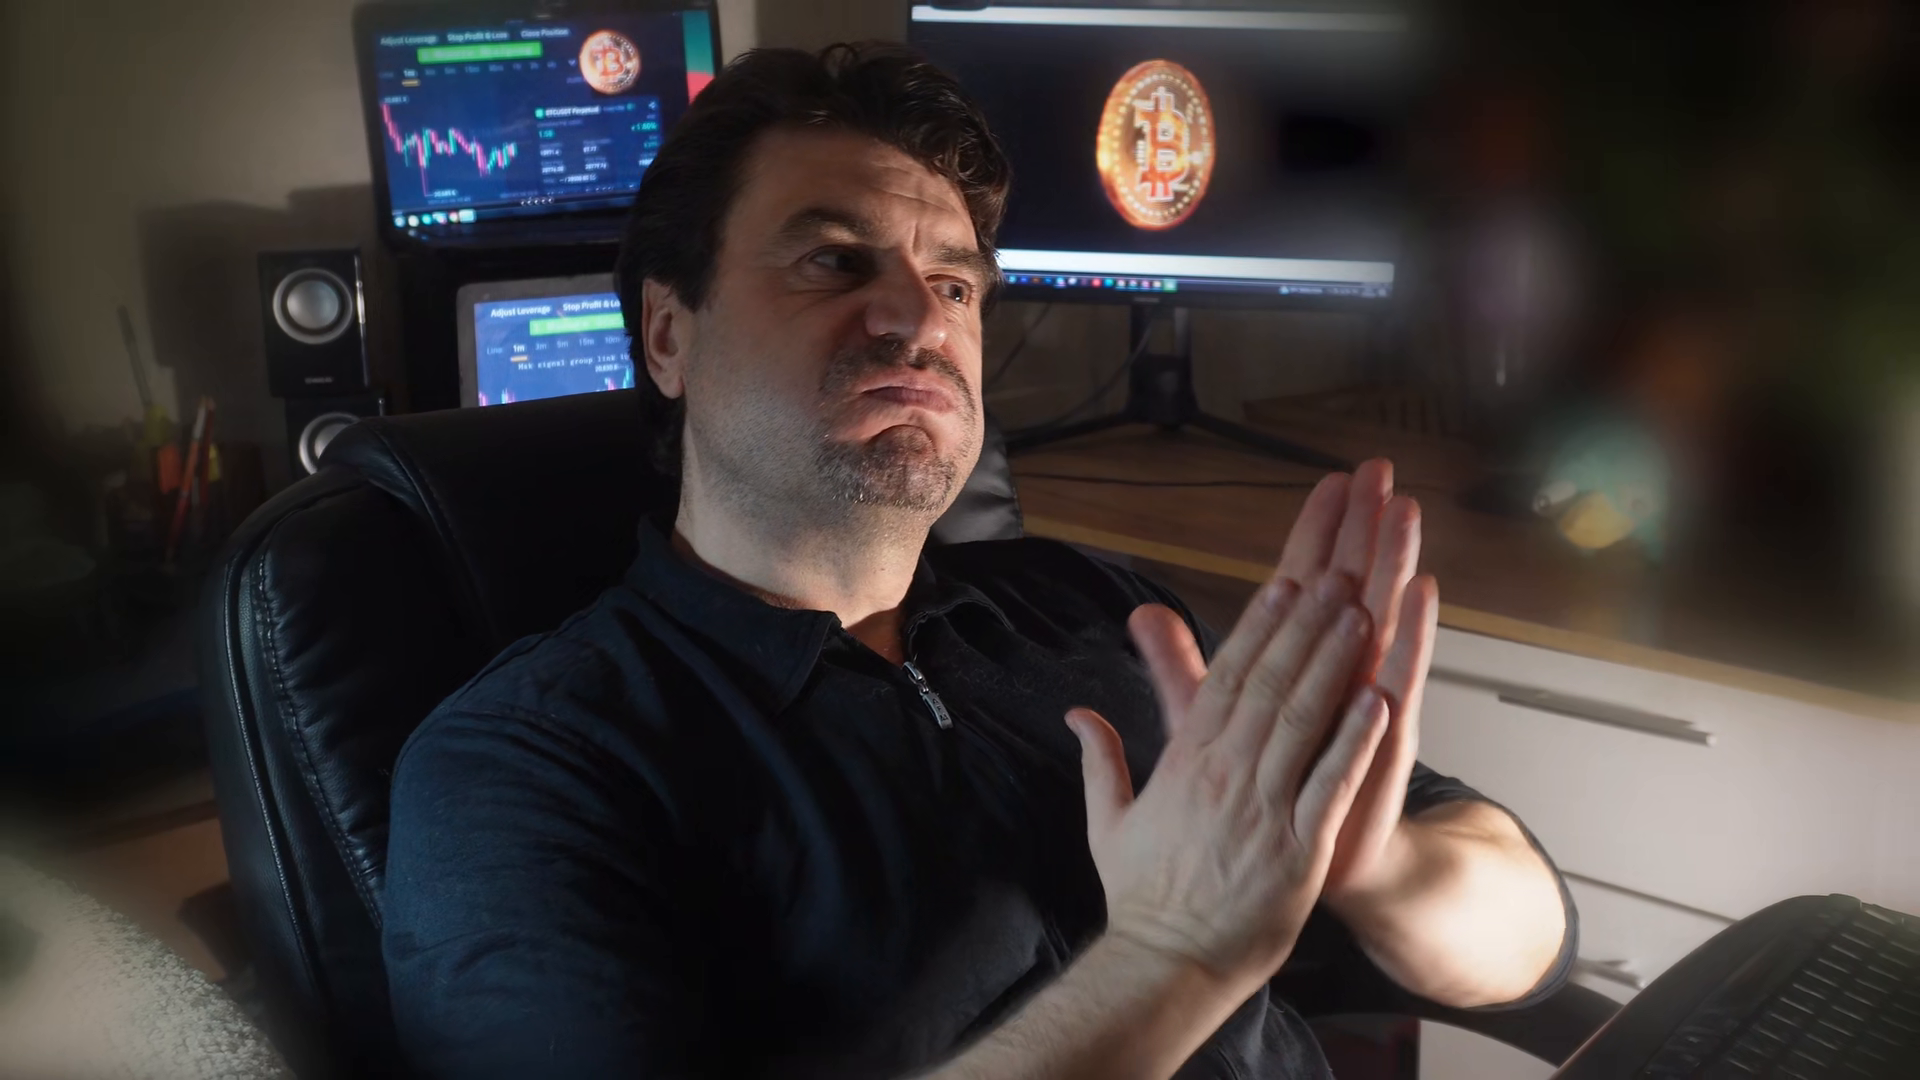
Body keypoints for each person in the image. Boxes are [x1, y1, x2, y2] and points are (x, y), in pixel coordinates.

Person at [382, 43, 1574, 1079]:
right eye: (834, 262)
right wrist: (1176, 953)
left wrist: (1375, 868)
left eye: (953, 282)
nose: (919, 319)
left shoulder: (1098, 611)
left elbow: (1530, 947)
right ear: (666, 333)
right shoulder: (528, 764)